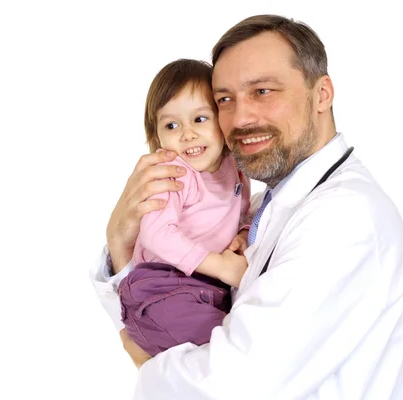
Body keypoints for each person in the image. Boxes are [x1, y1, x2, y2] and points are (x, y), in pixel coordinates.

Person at [90, 14, 403, 399]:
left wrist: (145, 359)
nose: (240, 118)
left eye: (263, 91)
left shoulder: (345, 219)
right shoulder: (262, 207)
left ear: (322, 94)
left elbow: (229, 387)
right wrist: (120, 243)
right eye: (224, 100)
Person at [119, 58, 252, 358]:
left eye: (200, 119)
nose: (187, 134)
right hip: (159, 290)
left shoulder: (235, 167)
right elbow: (157, 235)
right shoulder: (173, 172)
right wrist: (219, 265)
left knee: (242, 334)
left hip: (204, 290)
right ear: (158, 137)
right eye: (172, 125)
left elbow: (242, 214)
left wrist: (242, 234)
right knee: (232, 349)